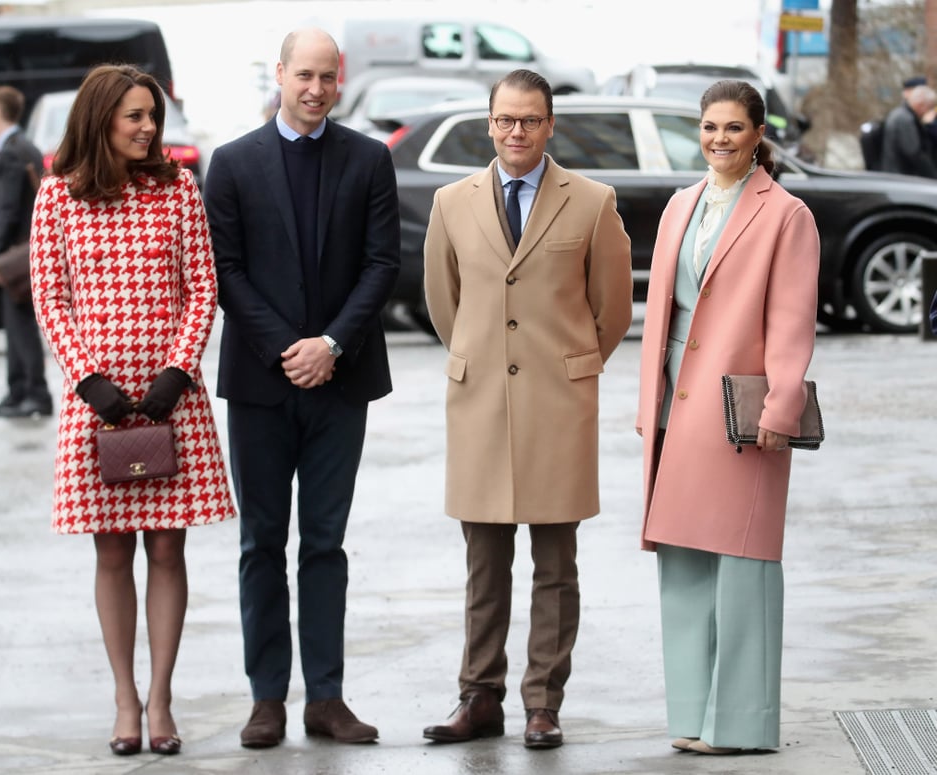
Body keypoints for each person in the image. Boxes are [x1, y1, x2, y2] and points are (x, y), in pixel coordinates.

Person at [421, 68, 633, 750]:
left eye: (530, 121)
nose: (517, 132)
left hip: (558, 404)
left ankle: (544, 702)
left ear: (549, 125)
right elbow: (443, 303)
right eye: (506, 120)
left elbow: (613, 307)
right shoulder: (452, 202)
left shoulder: (593, 202)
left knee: (555, 565)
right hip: (479, 401)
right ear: (489, 122)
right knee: (483, 564)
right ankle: (478, 696)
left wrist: (571, 367)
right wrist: (479, 356)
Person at [29, 64, 236, 757]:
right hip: (98, 401)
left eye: (154, 115)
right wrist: (89, 381)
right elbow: (49, 296)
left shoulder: (179, 189)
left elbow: (201, 285)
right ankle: (125, 697)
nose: (150, 128)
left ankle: (163, 699)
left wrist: (178, 370)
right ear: (101, 120)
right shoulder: (57, 194)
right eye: (136, 117)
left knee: (169, 544)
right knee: (112, 547)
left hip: (170, 395)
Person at [203, 27, 400, 749]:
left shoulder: (369, 159)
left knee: (324, 542)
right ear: (280, 74)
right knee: (261, 541)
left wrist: (331, 344)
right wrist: (288, 347)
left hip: (340, 383)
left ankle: (326, 696)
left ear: (338, 80)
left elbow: (382, 265)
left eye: (328, 77)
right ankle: (266, 698)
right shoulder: (230, 164)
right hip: (261, 384)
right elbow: (228, 271)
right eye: (303, 75)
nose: (315, 89)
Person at [636, 79, 820, 755]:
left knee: (742, 563)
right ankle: (690, 716)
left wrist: (783, 402)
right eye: (710, 127)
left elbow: (793, 319)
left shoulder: (786, 214)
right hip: (674, 403)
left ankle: (740, 722)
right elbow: (661, 312)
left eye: (733, 128)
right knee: (683, 561)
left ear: (758, 133)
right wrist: (644, 406)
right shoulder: (680, 206)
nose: (719, 139)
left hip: (742, 407)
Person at [0, 86, 53, 419]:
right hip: (28, 250)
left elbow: (7, 208)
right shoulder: (26, 147)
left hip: (16, 253)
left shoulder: (11, 151)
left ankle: (32, 393)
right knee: (17, 322)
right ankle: (18, 391)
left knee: (20, 324)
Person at [879, 84, 937, 177]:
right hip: (901, 176)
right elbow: (914, 152)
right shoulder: (905, 119)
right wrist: (932, 175)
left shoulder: (902, 114)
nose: (928, 112)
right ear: (920, 104)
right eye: (929, 107)